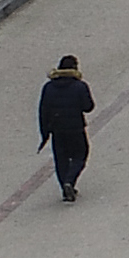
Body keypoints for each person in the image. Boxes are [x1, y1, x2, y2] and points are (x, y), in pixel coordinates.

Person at [38, 55, 96, 202]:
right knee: (80, 155)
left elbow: (43, 111)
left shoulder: (48, 87)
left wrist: (45, 133)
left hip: (57, 130)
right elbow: (88, 107)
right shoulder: (80, 86)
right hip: (76, 128)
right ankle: (70, 181)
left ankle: (64, 185)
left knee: (61, 158)